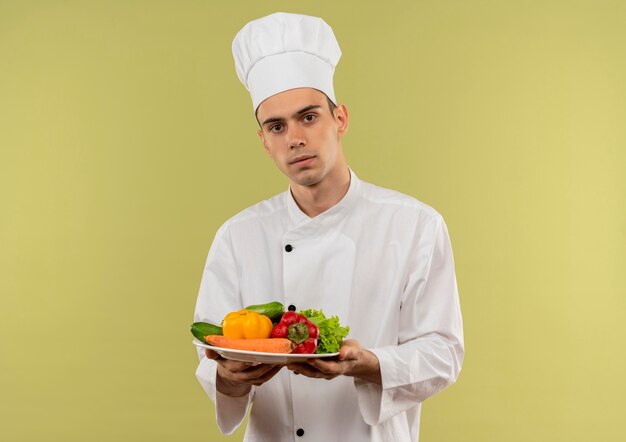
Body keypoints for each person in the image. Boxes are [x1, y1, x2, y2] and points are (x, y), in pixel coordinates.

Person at [194, 12, 464, 441]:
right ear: (264, 141)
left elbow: (444, 353)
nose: (294, 139)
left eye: (309, 117)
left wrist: (370, 363)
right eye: (276, 126)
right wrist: (231, 375)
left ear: (340, 119)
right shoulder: (237, 237)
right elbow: (213, 363)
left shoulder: (415, 226)